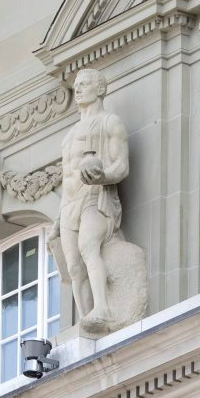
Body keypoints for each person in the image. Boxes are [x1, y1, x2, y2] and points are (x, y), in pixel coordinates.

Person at [58, 69, 130, 333]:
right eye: (76, 85)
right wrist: (58, 219)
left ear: (100, 89)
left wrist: (101, 177)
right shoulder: (68, 135)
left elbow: (121, 167)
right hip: (69, 205)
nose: (78, 89)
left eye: (84, 84)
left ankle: (103, 308)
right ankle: (86, 320)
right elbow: (66, 179)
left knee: (89, 245)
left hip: (95, 197)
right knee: (74, 267)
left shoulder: (110, 123)